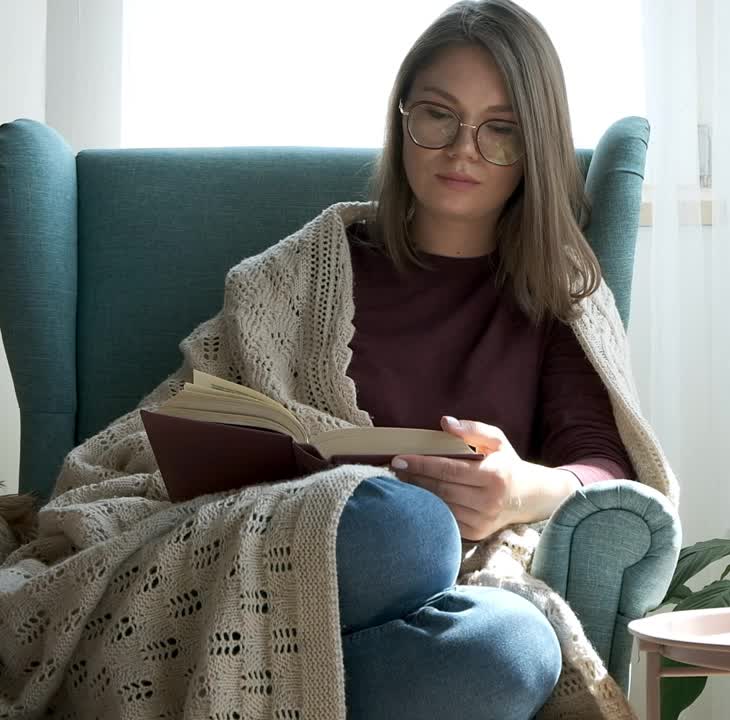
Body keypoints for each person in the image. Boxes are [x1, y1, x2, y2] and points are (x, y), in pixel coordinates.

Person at [0, 2, 675, 719]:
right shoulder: (301, 273)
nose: (462, 149)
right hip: (277, 541)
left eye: (500, 130)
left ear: (534, 144)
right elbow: (162, 431)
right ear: (403, 117)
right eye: (438, 116)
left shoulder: (557, 294)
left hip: (415, 589)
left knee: (516, 651)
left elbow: (607, 467)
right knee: (406, 526)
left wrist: (519, 490)